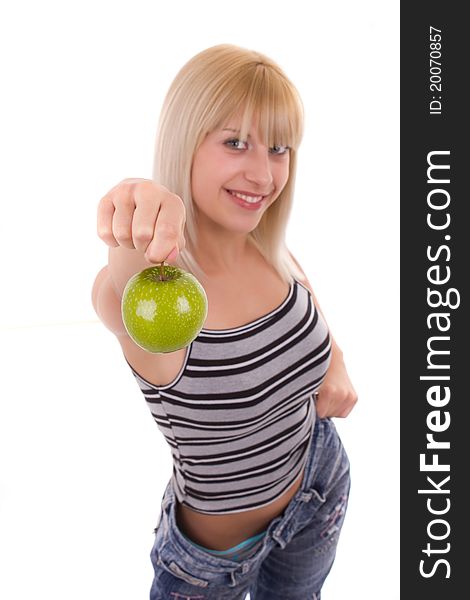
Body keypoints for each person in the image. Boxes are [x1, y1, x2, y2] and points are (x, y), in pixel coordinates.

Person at [92, 44, 357, 600]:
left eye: (279, 148)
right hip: (211, 564)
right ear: (184, 142)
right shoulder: (153, 295)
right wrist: (136, 202)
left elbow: (308, 301)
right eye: (235, 142)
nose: (263, 173)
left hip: (318, 488)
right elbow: (120, 286)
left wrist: (335, 362)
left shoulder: (267, 247)